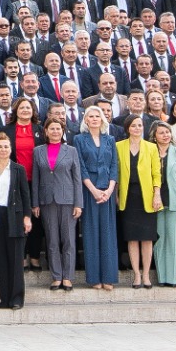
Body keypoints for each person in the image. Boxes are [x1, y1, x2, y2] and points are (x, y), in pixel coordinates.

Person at [31, 117, 81, 292]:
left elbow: (77, 179)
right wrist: (35, 203)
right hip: (47, 201)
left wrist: (78, 204)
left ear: (63, 131)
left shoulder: (71, 151)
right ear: (45, 131)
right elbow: (36, 178)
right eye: (51, 129)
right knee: (52, 240)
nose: (55, 132)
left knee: (68, 240)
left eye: (58, 129)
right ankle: (56, 276)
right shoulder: (38, 151)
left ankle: (67, 277)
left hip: (67, 200)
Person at [114, 112, 163, 289]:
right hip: (128, 197)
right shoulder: (119, 146)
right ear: (127, 128)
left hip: (147, 197)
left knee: (147, 238)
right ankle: (136, 275)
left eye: (140, 125)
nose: (137, 128)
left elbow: (156, 174)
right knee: (132, 238)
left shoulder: (151, 147)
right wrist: (117, 194)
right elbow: (116, 172)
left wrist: (157, 194)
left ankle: (146, 274)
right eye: (134, 125)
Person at [75, 105, 119, 291]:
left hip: (107, 192)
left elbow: (114, 166)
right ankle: (94, 278)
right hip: (89, 190)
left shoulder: (110, 140)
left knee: (108, 235)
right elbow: (81, 167)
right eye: (90, 116)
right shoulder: (79, 139)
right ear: (85, 120)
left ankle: (108, 277)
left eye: (97, 116)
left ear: (102, 119)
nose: (94, 119)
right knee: (91, 234)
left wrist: (109, 190)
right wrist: (93, 190)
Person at [0, 134, 31, 310]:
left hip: (14, 215)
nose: (3, 150)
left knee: (15, 259)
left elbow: (25, 195)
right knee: (1, 259)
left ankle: (16, 298)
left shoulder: (18, 169)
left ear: (11, 149)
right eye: (0, 146)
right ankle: (4, 298)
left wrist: (27, 217)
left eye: (6, 146)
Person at [152, 119, 176, 287]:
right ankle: (162, 277)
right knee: (160, 241)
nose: (165, 135)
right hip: (156, 204)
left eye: (167, 132)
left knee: (175, 241)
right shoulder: (150, 152)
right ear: (154, 136)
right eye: (161, 133)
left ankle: (174, 279)